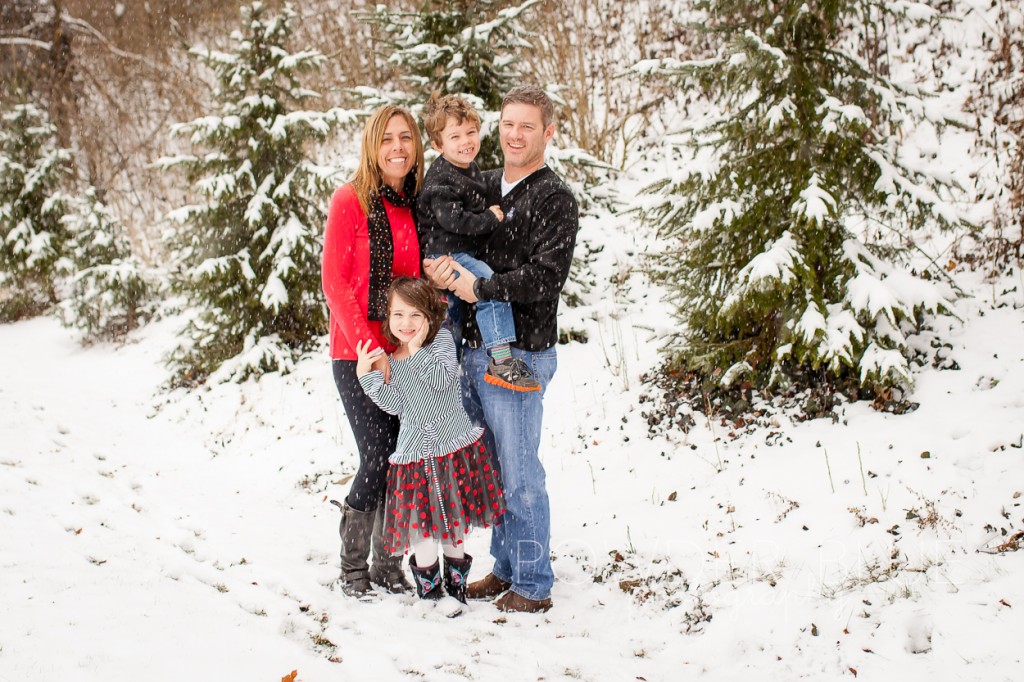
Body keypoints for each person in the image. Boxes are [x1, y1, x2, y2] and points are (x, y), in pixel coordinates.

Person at [424, 85, 579, 613]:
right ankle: (507, 567)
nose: (515, 134)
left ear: (548, 132)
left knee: (520, 473)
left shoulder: (553, 197)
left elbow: (546, 276)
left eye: (528, 126)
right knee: (494, 470)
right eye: (509, 123)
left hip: (521, 353)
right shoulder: (485, 181)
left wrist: (480, 289)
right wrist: (435, 266)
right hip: (472, 350)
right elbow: (447, 234)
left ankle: (534, 582)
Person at [321, 104, 424, 597]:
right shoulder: (350, 200)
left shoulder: (412, 206)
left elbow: (416, 285)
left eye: (405, 137)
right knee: (377, 455)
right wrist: (369, 346)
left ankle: (388, 563)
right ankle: (353, 567)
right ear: (372, 146)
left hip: (403, 355)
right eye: (387, 138)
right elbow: (335, 284)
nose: (397, 147)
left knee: (402, 457)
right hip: (356, 354)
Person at [354, 277, 505, 610]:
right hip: (415, 458)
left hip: (452, 450)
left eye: (415, 315)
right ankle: (430, 595)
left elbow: (440, 380)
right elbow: (395, 404)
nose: (406, 324)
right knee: (423, 530)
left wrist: (419, 350)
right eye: (398, 315)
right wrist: (368, 377)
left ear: (429, 316)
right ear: (388, 318)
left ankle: (456, 592)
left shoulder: (442, 343)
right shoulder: (392, 360)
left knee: (453, 525)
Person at [417, 93, 540, 393]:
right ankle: (500, 359)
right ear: (437, 145)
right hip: (447, 255)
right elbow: (455, 221)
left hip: (457, 253)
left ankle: (444, 381)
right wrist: (489, 218)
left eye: (471, 132)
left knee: (453, 321)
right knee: (488, 285)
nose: (466, 141)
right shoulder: (441, 181)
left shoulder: (466, 167)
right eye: (455, 136)